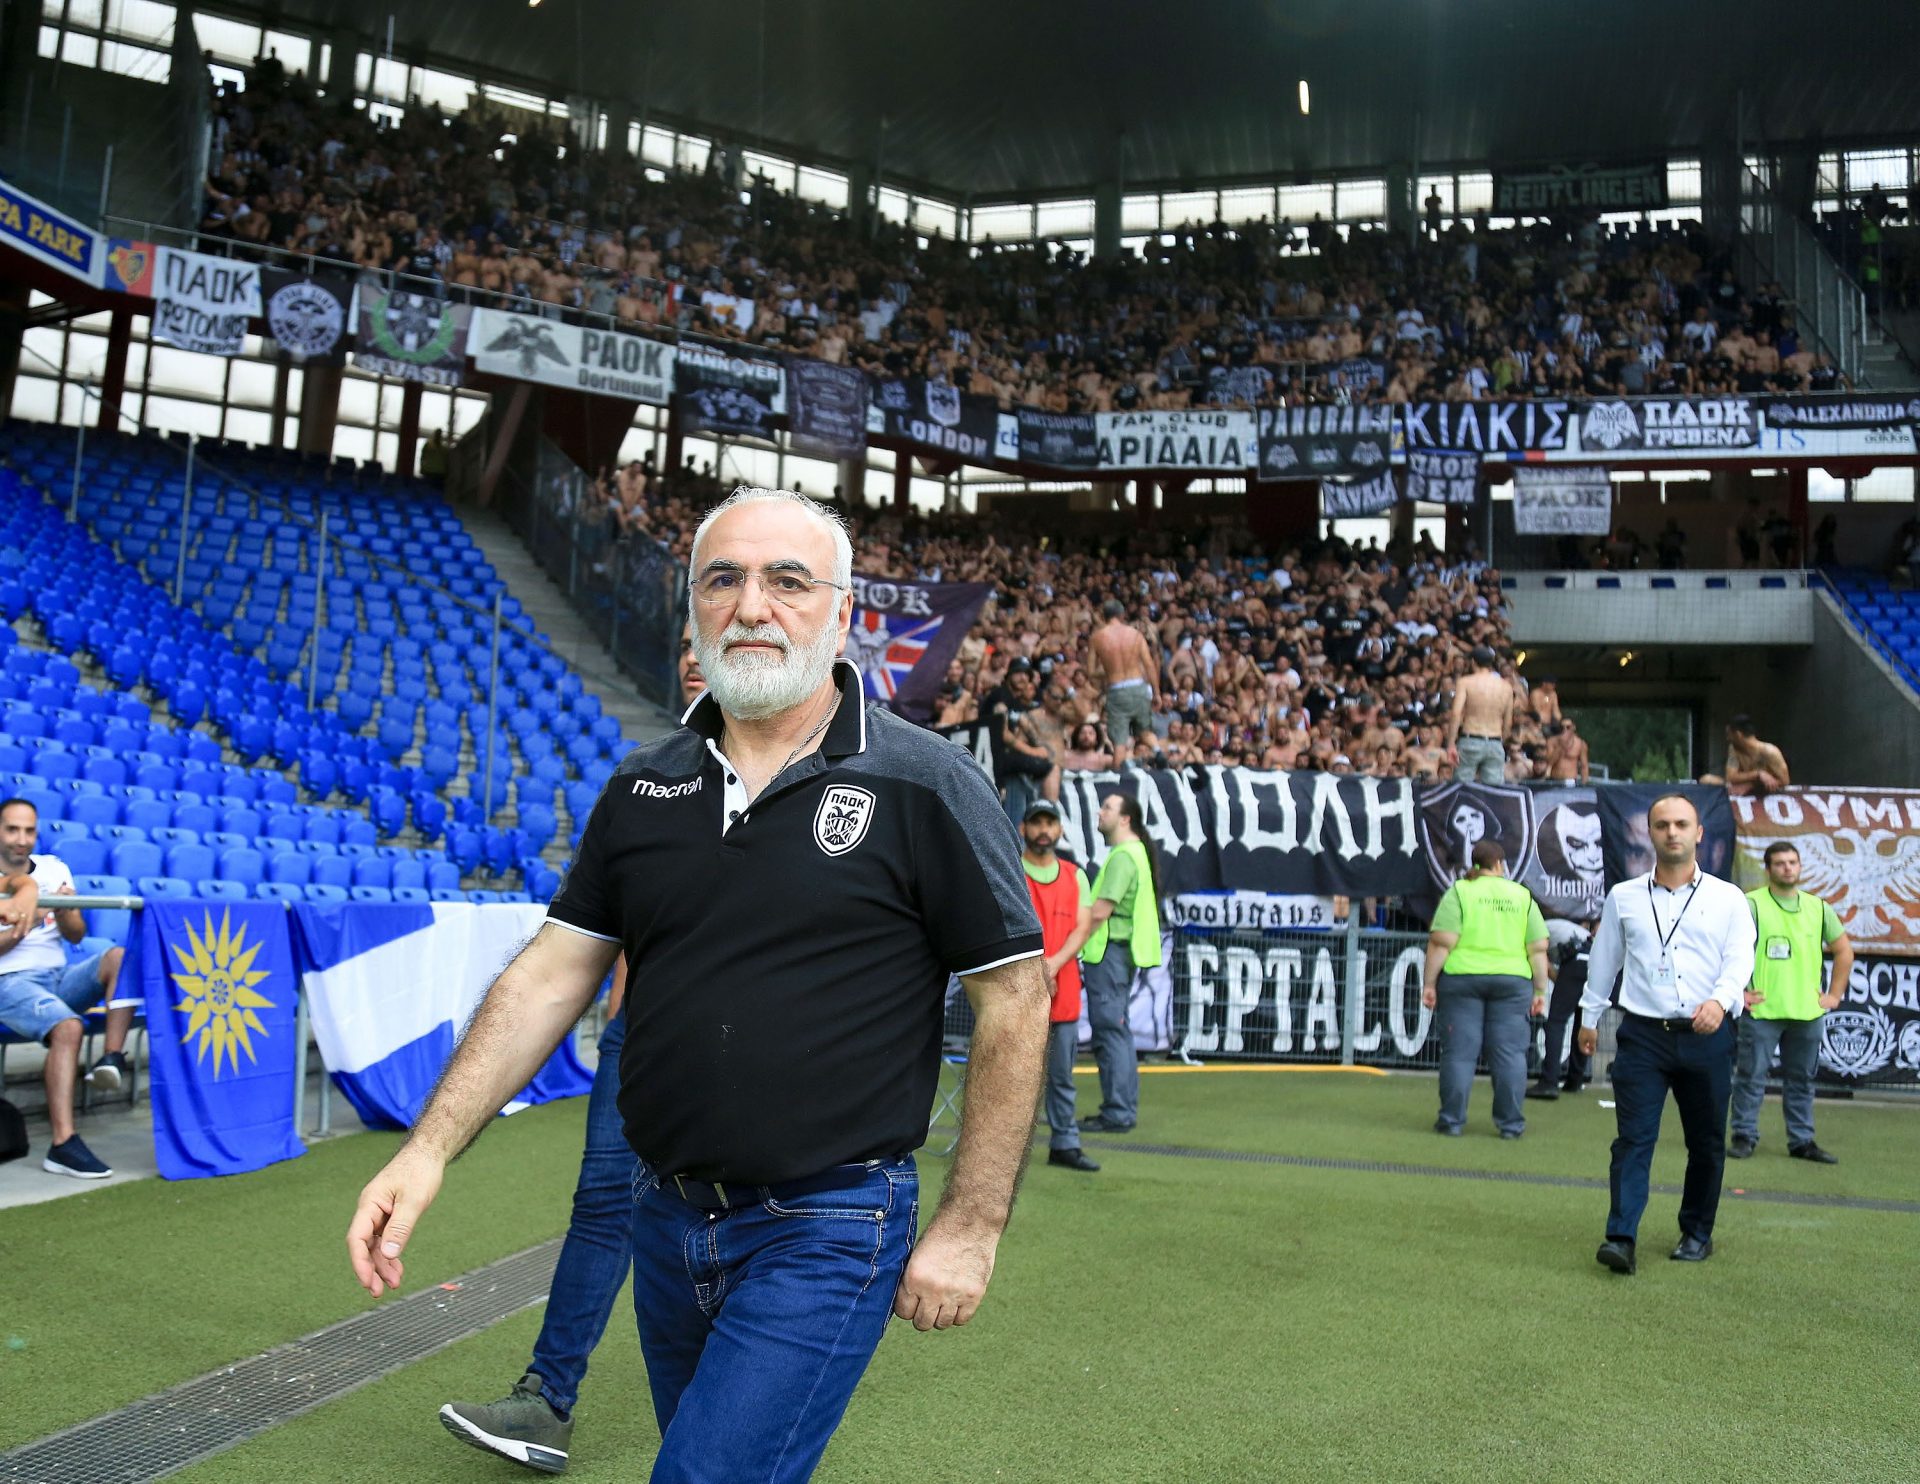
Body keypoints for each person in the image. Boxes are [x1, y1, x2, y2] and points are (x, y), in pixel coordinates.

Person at [349, 488, 1048, 1484]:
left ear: (842, 611)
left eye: (787, 581)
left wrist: (972, 1224)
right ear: (693, 607)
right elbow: (549, 974)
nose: (751, 605)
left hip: (830, 1223)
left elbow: (1014, 1000)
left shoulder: (926, 782)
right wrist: (425, 1150)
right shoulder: (643, 787)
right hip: (667, 1219)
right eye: (724, 579)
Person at [441, 629, 706, 1473]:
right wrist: (625, 1006)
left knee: (742, 1218)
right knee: (602, 1207)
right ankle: (546, 1400)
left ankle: (731, 1409)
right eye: (687, 640)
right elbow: (619, 917)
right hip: (642, 1036)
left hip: (748, 1051)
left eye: (706, 643)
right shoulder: (648, 776)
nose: (696, 654)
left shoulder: (806, 772)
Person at [1578, 794, 1755, 1274]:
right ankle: (1621, 1237)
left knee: (1706, 1143)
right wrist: (1589, 1017)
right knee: (1633, 1140)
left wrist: (1720, 1000)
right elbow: (1605, 960)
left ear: (1699, 833)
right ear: (1649, 833)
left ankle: (1697, 1233)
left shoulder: (1728, 898)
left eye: (1681, 824)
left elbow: (1740, 958)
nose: (1672, 832)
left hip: (1708, 1033)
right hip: (1643, 1036)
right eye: (1662, 825)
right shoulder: (1624, 897)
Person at [0, 799, 132, 1179]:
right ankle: (62, 1144)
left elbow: (76, 935)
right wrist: (27, 922)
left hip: (57, 977)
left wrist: (65, 913)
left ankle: (111, 1058)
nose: (21, 839)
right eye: (12, 829)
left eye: (29, 831)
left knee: (118, 957)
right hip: (10, 982)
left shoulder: (54, 868)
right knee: (69, 1026)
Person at [1730, 842, 1853, 1164]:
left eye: (1792, 862)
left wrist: (1834, 995)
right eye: (1780, 863)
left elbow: (1844, 950)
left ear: (1800, 867)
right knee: (1750, 1077)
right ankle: (1744, 1136)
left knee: (1802, 1080)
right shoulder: (1751, 904)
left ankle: (1801, 1141)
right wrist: (1737, 992)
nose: (1787, 868)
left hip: (1807, 1013)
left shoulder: (1819, 908)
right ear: (1768, 869)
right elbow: (1725, 948)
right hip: (1762, 1011)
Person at [1421, 841, 1549, 1138]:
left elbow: (1441, 943)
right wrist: (1540, 991)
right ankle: (1510, 1125)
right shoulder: (1521, 895)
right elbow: (1538, 948)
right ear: (1500, 864)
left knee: (1459, 1054)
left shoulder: (1460, 892)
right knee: (1510, 1055)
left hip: (1462, 979)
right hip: (1512, 981)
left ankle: (1451, 1122)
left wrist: (1429, 983)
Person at [1018, 798, 1098, 1173]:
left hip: (1061, 989)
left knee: (1062, 1075)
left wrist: (1053, 964)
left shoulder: (1075, 874)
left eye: (1049, 823)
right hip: (1020, 988)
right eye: (1037, 823)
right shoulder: (1012, 870)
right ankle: (1008, 1151)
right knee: (1014, 1076)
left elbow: (1083, 927)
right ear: (1023, 829)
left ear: (1060, 830)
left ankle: (1064, 1143)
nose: (1043, 830)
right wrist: (1038, 967)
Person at [1077, 791, 1162, 1135]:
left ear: (1125, 819)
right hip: (1119, 952)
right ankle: (1121, 1108)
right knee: (1118, 1031)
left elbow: (1100, 911)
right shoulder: (1134, 853)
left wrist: (1070, 946)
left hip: (1110, 952)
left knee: (1110, 1031)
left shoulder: (1123, 856)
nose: (1100, 812)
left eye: (1108, 808)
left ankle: (1117, 1111)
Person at [1528, 916, 1598, 1099]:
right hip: (1595, 964)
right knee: (1584, 1022)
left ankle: (1549, 1082)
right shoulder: (1567, 929)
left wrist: (1558, 986)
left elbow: (1541, 960)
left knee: (1556, 1023)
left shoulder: (1539, 928)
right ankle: (1575, 1080)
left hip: (1576, 961)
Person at [1087, 600, 1159, 767]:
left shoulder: (1097, 637)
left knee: (1119, 741)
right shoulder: (1135, 634)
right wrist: (1157, 693)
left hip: (1117, 689)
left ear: (1104, 616)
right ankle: (1158, 751)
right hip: (1138, 686)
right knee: (1145, 732)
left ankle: (1118, 777)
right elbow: (1149, 665)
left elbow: (1091, 672)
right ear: (1121, 615)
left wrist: (1109, 670)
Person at [1446, 645, 1512, 785]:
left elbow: (1456, 713)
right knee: (1494, 791)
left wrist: (1451, 744)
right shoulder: (1506, 686)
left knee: (1462, 788)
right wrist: (1501, 742)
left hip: (1471, 738)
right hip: (1495, 740)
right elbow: (1508, 721)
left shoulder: (1465, 682)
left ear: (1473, 662)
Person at [1700, 715, 1789, 796]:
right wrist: (1758, 774)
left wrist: (1751, 785)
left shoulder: (1770, 751)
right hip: (1738, 787)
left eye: (1729, 735)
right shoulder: (1734, 749)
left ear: (1738, 734)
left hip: (1762, 790)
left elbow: (1785, 781)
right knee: (1706, 779)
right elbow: (1731, 777)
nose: (1727, 739)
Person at [1543, 719, 1589, 783]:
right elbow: (1549, 762)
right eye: (1562, 727)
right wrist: (1560, 746)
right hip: (1554, 779)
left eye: (1568, 727)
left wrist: (1584, 783)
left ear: (1573, 727)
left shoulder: (1580, 744)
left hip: (1571, 780)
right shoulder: (1551, 741)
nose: (1564, 730)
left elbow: (1584, 766)